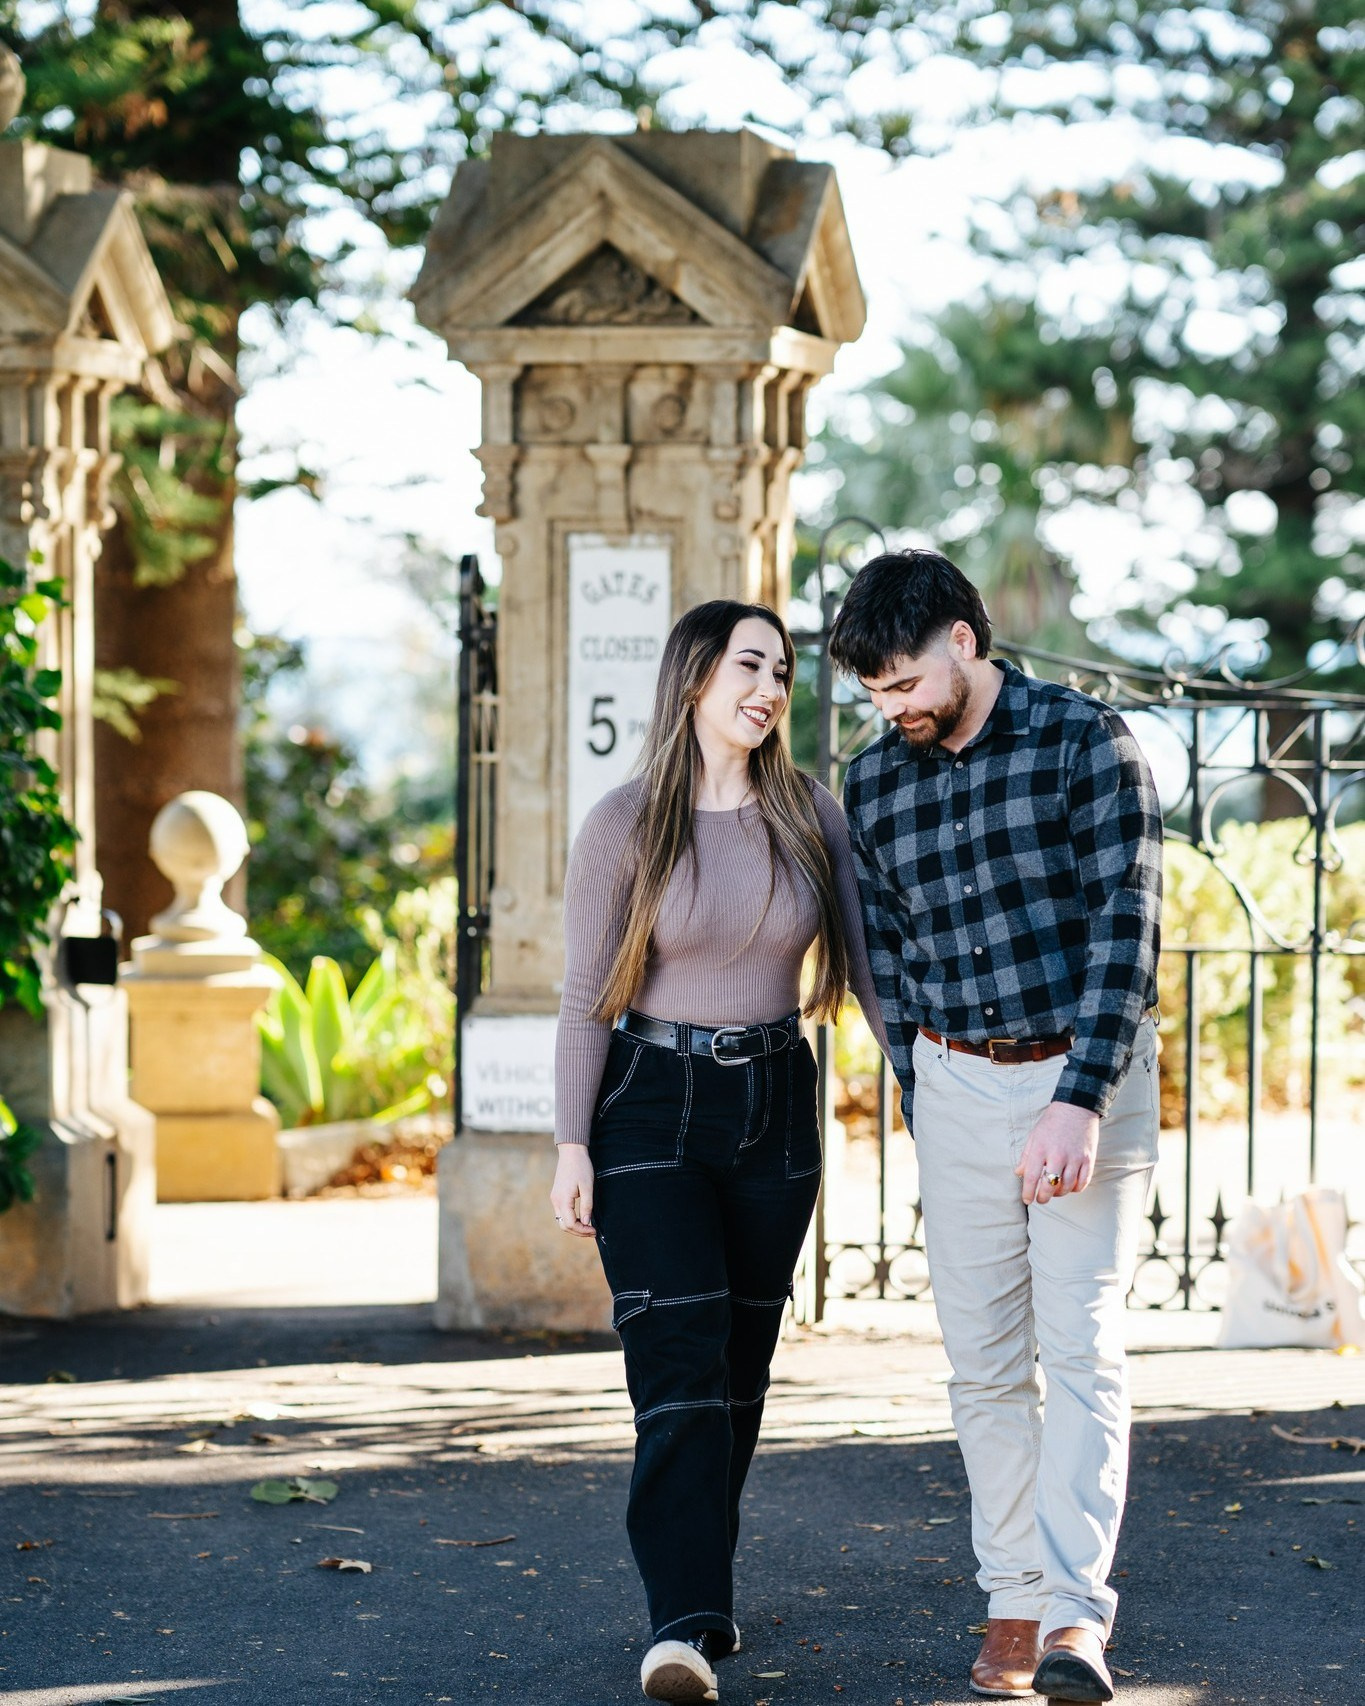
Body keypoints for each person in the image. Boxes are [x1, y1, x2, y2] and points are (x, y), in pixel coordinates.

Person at [831, 549, 1162, 1705]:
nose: (896, 708)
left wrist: (1079, 1094)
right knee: (982, 1364)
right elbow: (890, 957)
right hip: (954, 1087)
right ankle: (1011, 1591)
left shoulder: (1085, 741)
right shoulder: (874, 784)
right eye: (874, 693)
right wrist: (927, 1090)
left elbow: (1129, 923)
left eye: (905, 680)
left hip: (1085, 1077)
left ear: (963, 641)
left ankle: (1077, 1614)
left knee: (1079, 1348)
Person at [551, 599, 888, 1705]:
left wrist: (926, 1090)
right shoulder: (623, 823)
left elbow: (871, 975)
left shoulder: (808, 814)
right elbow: (585, 1000)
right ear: (694, 674)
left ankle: (701, 1586)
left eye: (783, 672)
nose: (770, 687)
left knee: (740, 1366)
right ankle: (681, 1624)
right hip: (649, 1106)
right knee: (678, 1357)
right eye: (751, 663)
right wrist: (569, 1141)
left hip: (777, 1103)